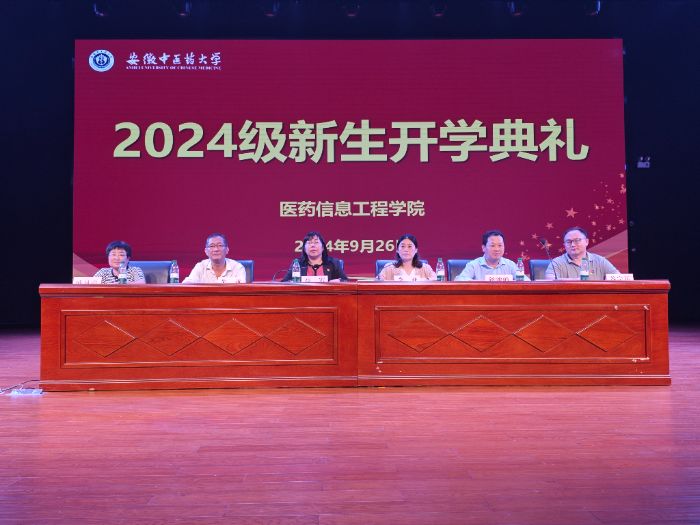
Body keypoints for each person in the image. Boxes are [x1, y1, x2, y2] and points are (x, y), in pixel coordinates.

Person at [545, 226, 619, 280]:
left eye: (577, 240)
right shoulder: (556, 263)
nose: (573, 245)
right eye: (568, 242)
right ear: (564, 245)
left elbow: (619, 278)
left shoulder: (600, 261)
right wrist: (577, 281)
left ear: (586, 241)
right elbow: (550, 285)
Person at [455, 229, 527, 281]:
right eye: (492, 245)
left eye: (500, 245)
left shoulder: (510, 265)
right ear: (483, 248)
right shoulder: (473, 265)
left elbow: (526, 282)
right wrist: (480, 284)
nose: (497, 249)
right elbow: (460, 280)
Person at [282, 231, 348, 282]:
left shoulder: (333, 263)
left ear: (323, 248)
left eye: (316, 242)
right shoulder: (298, 263)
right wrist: (292, 282)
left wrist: (339, 281)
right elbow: (284, 282)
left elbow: (345, 281)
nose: (313, 245)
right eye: (309, 243)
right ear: (304, 249)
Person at [183, 233, 247, 283]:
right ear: (206, 251)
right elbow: (187, 284)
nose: (216, 249)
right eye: (212, 246)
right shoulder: (200, 267)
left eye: (220, 245)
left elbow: (242, 287)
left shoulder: (237, 267)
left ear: (227, 250)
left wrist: (222, 281)